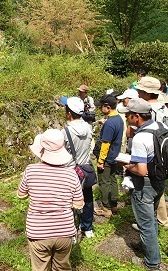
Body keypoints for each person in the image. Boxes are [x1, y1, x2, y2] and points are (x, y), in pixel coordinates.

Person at [17, 129, 84, 271]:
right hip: (64, 231)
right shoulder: (71, 174)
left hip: (38, 233)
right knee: (62, 267)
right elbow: (79, 204)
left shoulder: (31, 170)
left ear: (42, 150)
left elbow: (21, 194)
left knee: (40, 268)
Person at [119, 98, 165, 270]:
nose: (126, 118)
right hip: (159, 179)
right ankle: (148, 246)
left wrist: (126, 165)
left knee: (145, 224)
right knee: (151, 217)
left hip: (144, 184)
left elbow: (141, 170)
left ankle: (152, 262)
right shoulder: (160, 127)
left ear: (136, 117)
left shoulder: (140, 137)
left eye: (128, 116)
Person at [135, 76, 168, 229]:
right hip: (164, 152)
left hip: (152, 155)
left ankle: (156, 221)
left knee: (152, 190)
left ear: (148, 94)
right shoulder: (163, 107)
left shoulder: (150, 111)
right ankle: (158, 220)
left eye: (140, 91)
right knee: (159, 188)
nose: (138, 93)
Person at [61, 97, 95, 238]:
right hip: (85, 168)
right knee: (87, 198)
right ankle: (87, 228)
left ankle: (70, 230)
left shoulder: (65, 132)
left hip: (70, 171)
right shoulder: (88, 127)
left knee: (69, 202)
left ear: (69, 113)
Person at [93, 94, 124, 217]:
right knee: (112, 179)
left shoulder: (110, 123)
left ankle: (106, 208)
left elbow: (105, 144)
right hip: (115, 156)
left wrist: (101, 161)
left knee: (104, 182)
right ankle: (114, 205)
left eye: (102, 107)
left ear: (107, 107)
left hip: (107, 157)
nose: (101, 109)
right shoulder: (119, 119)